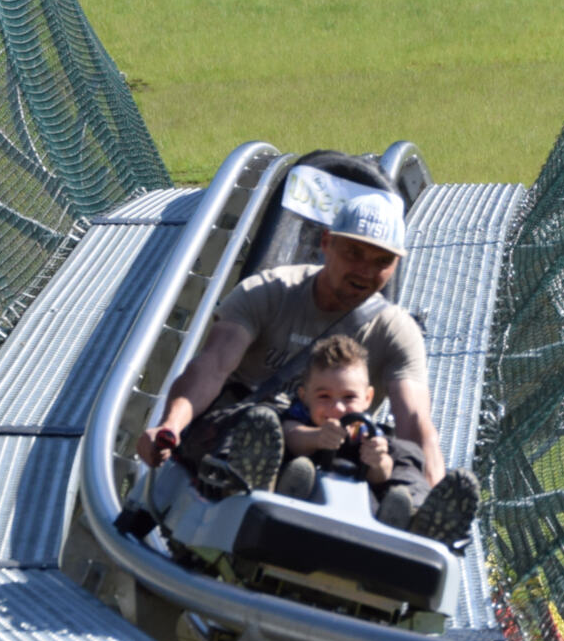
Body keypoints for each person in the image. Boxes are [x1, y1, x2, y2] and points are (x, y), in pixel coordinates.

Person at [138, 189, 447, 489]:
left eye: (382, 261)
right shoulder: (268, 292)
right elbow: (212, 366)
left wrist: (424, 479)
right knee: (258, 421)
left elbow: (414, 420)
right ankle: (246, 476)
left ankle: (419, 504)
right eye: (354, 253)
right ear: (326, 242)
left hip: (338, 446)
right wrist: (170, 427)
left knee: (398, 452)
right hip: (249, 428)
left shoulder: (395, 330)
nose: (365, 271)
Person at [274, 334, 431, 525]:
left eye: (349, 397)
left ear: (367, 398)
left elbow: (381, 475)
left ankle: (406, 518)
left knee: (406, 454)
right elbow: (291, 435)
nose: (338, 408)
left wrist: (377, 461)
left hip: (360, 508)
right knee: (276, 437)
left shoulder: (365, 431)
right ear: (304, 395)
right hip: (301, 488)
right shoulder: (301, 417)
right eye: (324, 396)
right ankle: (280, 489)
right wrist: (317, 437)